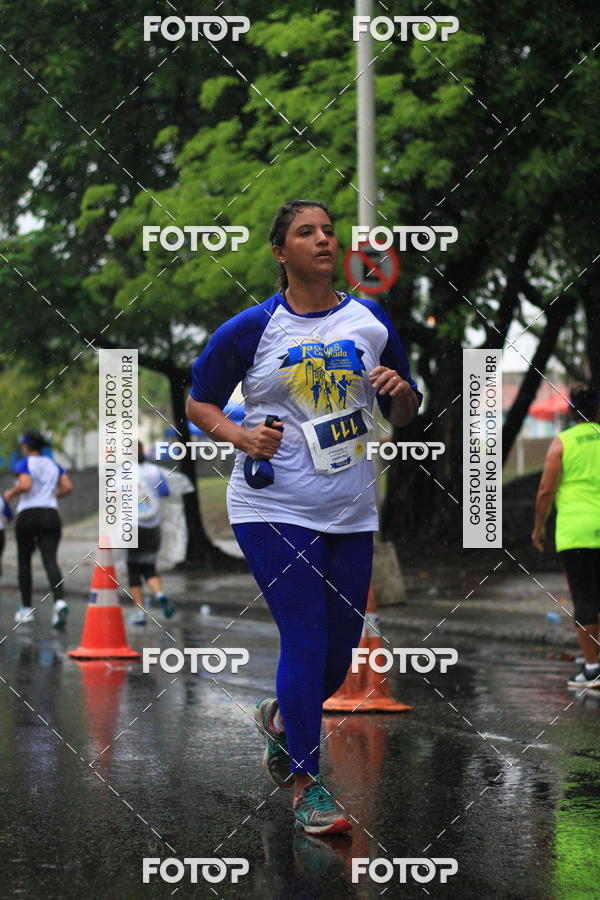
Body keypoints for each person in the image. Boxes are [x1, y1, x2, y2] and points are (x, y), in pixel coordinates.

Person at [186, 199, 421, 835]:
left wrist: (400, 396)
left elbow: (404, 408)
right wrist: (240, 436)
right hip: (270, 504)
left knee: (341, 654)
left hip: (348, 507)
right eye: (305, 232)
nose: (322, 239)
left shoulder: (369, 319)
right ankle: (307, 785)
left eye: (326, 230)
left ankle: (285, 719)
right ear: (280, 252)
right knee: (306, 633)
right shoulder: (250, 329)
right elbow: (199, 402)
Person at [532, 384, 600, 689]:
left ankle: (592, 670)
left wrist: (539, 527)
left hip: (576, 533)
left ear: (572, 411)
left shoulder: (562, 442)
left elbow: (546, 490)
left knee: (585, 598)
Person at [3, 430, 73, 627]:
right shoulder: (53, 465)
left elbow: (25, 484)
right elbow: (68, 487)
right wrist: (51, 496)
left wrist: (11, 492)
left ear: (26, 447)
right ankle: (59, 602)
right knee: (50, 560)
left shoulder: (24, 463)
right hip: (51, 515)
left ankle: (26, 609)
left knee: (24, 561)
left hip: (28, 516)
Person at [126, 440, 176, 624]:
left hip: (132, 526)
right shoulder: (155, 471)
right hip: (153, 525)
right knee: (149, 566)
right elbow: (165, 492)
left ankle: (140, 613)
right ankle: (160, 593)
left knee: (133, 569)